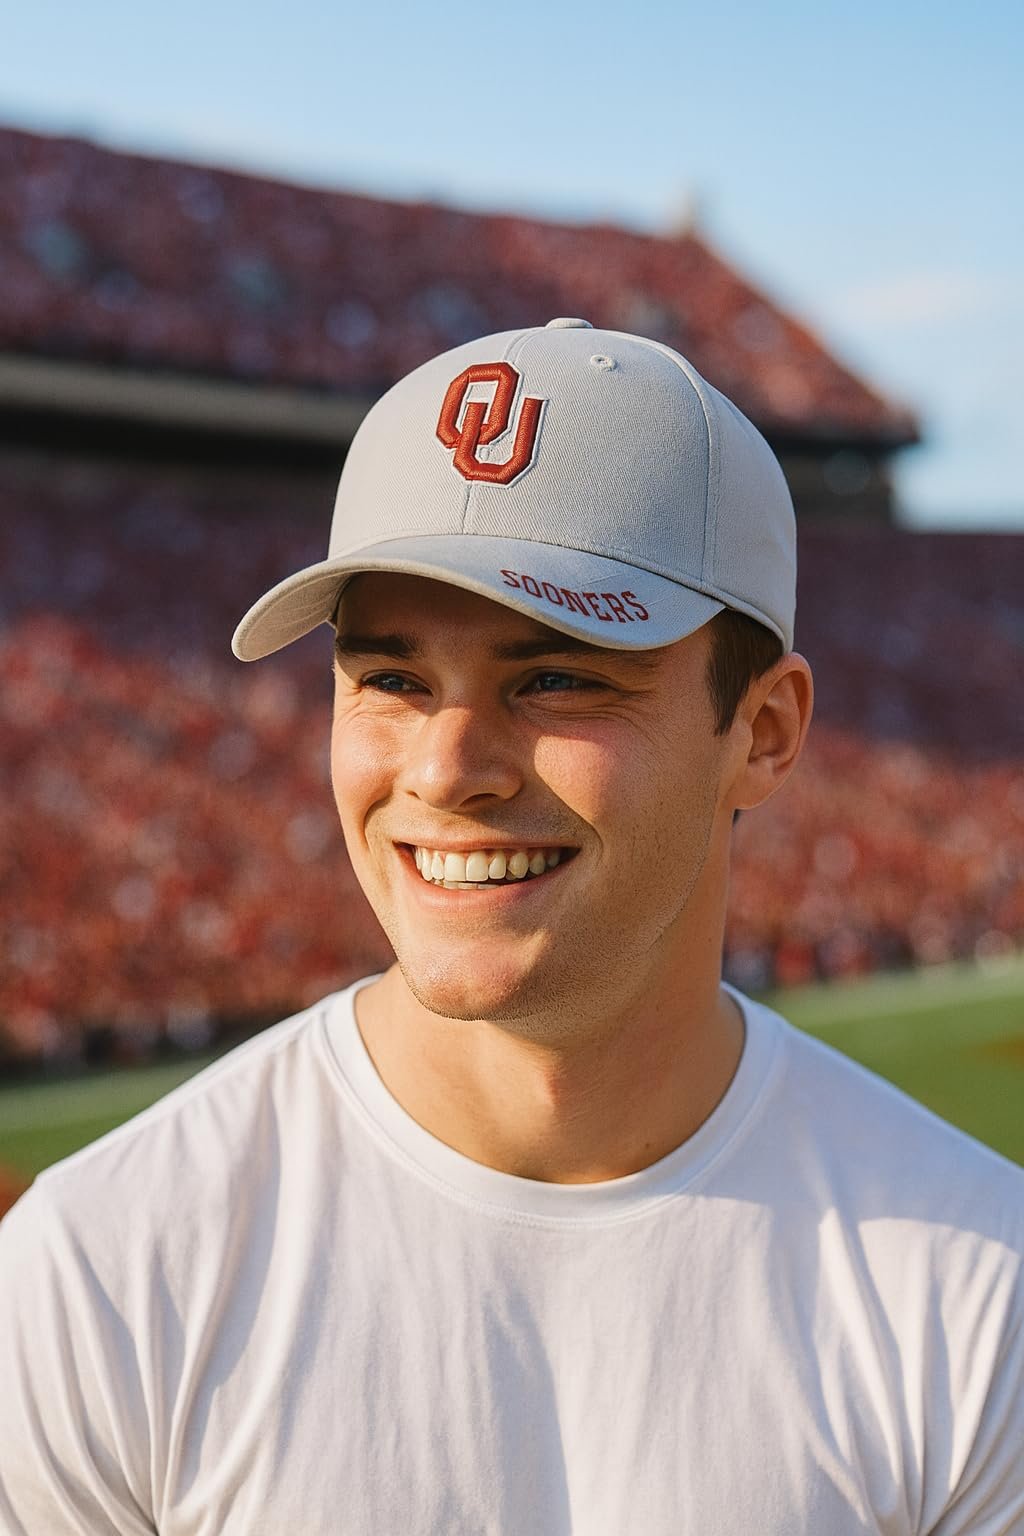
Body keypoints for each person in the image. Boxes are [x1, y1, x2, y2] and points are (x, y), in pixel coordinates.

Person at [0, 318, 1021, 1535]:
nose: (445, 769)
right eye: (390, 680)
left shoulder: (980, 1290)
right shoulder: (101, 1270)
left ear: (763, 733)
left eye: (556, 678)